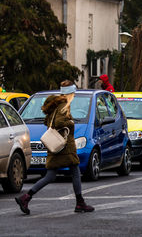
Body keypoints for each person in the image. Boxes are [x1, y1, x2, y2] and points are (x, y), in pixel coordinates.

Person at [15, 80, 94, 215]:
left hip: (56, 146)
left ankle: (26, 197)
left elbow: (49, 121)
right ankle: (80, 203)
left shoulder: (56, 105)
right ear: (69, 93)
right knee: (74, 171)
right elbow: (58, 123)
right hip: (64, 147)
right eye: (73, 93)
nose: (74, 95)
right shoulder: (63, 105)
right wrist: (70, 122)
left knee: (51, 176)